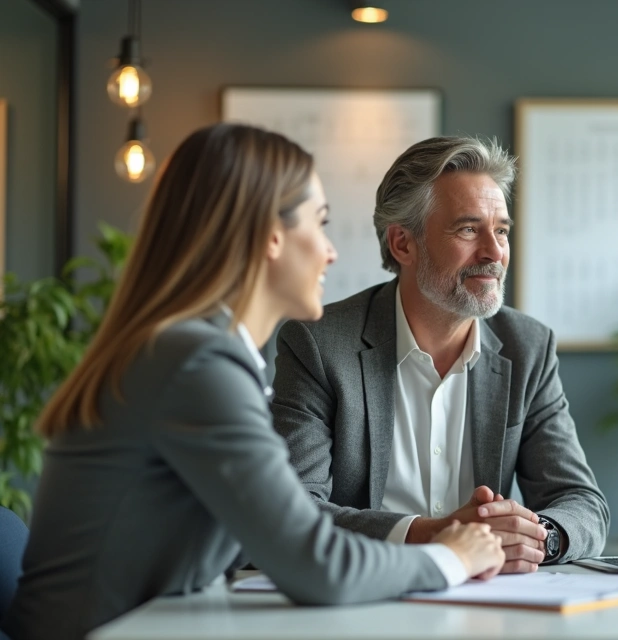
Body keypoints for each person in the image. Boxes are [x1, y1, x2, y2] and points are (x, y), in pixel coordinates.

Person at [2, 124, 504, 640]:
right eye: (320, 223)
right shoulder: (196, 363)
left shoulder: (192, 351)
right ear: (271, 236)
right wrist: (453, 556)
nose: (331, 252)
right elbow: (317, 564)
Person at [271, 136, 609, 574]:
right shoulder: (318, 344)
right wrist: (435, 534)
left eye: (501, 230)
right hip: (366, 595)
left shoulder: (529, 346)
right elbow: (293, 510)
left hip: (493, 605)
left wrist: (536, 535)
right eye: (468, 229)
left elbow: (584, 504)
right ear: (403, 244)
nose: (493, 253)